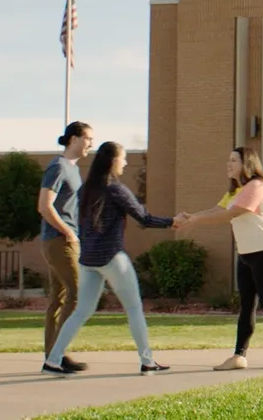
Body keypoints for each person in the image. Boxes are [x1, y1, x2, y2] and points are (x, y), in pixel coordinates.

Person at [41, 142, 180, 377]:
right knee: (134, 307)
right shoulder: (115, 188)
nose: (125, 163)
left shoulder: (85, 190)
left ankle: (53, 361)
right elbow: (144, 218)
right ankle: (147, 361)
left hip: (88, 259)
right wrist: (173, 221)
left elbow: (80, 224)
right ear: (113, 161)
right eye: (123, 159)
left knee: (82, 310)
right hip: (112, 257)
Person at [178, 147, 263, 371]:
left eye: (233, 160)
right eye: (229, 159)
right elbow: (217, 208)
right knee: (246, 306)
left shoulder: (257, 186)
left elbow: (230, 214)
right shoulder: (236, 190)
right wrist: (191, 217)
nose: (229, 163)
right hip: (246, 254)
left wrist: (194, 221)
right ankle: (239, 356)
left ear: (247, 164)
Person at [37, 121, 93, 373]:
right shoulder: (58, 167)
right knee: (78, 293)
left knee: (58, 299)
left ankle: (53, 356)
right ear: (73, 140)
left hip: (63, 239)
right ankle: (56, 356)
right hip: (60, 241)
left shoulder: (73, 169)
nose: (90, 144)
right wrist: (68, 231)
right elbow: (44, 206)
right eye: (88, 138)